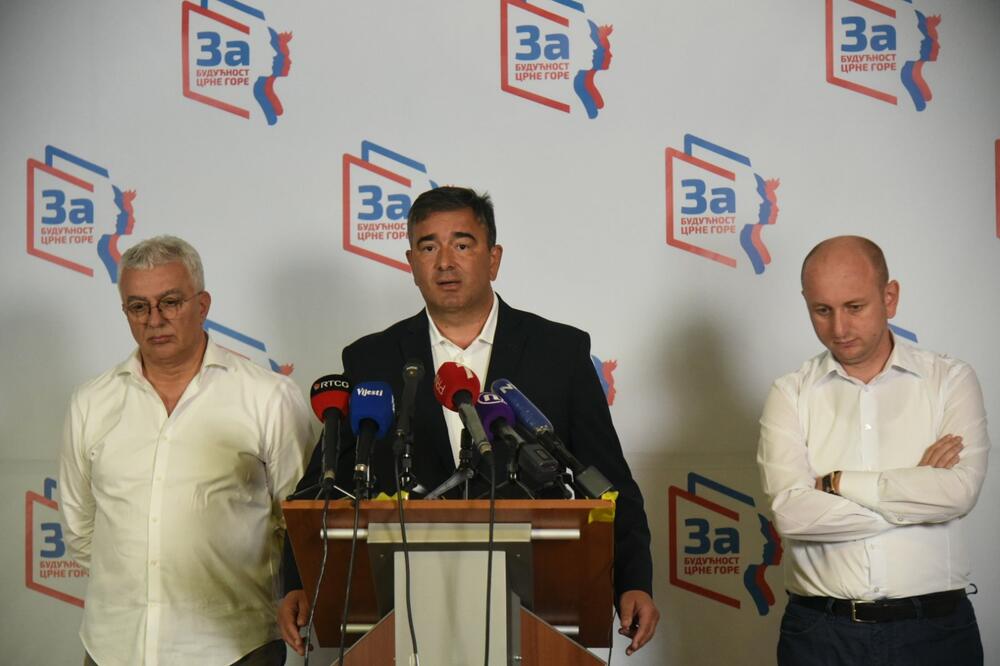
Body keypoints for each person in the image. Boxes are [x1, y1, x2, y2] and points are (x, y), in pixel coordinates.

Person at [279, 186, 659, 656]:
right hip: (402, 611)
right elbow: (321, 484)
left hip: (534, 604)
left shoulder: (559, 352)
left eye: (462, 245)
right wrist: (296, 581)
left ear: (493, 259)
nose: (445, 262)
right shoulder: (372, 359)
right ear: (411, 263)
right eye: (428, 247)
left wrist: (633, 580)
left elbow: (607, 478)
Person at [59, 235, 312, 666]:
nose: (154, 319)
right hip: (114, 648)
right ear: (125, 312)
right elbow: (81, 530)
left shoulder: (269, 397)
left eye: (170, 302)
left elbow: (300, 520)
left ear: (203, 304)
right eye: (138, 307)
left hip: (235, 648)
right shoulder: (91, 402)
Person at [756, 235, 989, 665]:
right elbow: (791, 513)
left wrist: (838, 484)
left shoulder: (950, 380)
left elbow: (957, 493)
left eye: (854, 307)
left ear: (890, 297)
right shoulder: (789, 393)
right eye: (822, 310)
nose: (839, 329)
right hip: (820, 636)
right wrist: (917, 496)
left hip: (935, 633)